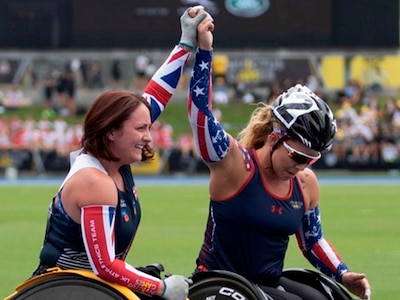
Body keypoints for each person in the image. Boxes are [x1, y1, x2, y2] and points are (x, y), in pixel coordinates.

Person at [188, 11, 372, 300]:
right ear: (275, 138)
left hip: (267, 285)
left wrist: (342, 273)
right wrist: (205, 51)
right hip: (219, 286)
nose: (302, 167)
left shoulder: (306, 183)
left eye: (312, 160)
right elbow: (200, 115)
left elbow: (313, 241)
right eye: (298, 156)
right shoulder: (234, 165)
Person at [31, 6, 210, 300]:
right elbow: (104, 266)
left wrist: (186, 43)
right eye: (140, 129)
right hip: (67, 291)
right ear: (111, 131)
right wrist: (162, 288)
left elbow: (157, 94)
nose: (148, 136)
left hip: (95, 287)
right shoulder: (94, 182)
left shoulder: (115, 156)